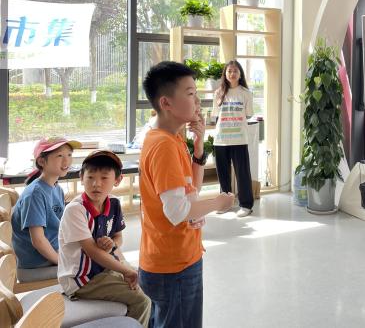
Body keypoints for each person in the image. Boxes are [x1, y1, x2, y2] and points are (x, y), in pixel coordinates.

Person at [139, 61, 234, 328]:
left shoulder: (171, 137)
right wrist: (219, 202)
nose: (197, 101)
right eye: (190, 93)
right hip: (173, 265)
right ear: (166, 103)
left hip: (172, 258)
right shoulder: (164, 145)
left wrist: (199, 147)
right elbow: (177, 211)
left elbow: (192, 190)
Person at [57, 150, 151, 327]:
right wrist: (126, 271)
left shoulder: (113, 203)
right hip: (82, 279)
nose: (96, 184)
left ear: (118, 180)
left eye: (104, 178)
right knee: (141, 301)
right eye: (90, 177)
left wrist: (112, 244)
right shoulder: (75, 210)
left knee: (146, 285)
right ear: (81, 177)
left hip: (103, 269)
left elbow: (118, 237)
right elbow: (92, 251)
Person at [11, 137, 81, 278]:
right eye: (59, 156)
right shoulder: (35, 194)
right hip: (36, 265)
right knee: (91, 270)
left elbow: (60, 226)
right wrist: (63, 263)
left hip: (53, 252)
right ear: (42, 161)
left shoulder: (56, 188)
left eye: (69, 155)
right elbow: (38, 241)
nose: (66, 161)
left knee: (99, 255)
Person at [211, 60, 255, 217]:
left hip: (239, 139)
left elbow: (248, 115)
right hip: (221, 138)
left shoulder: (246, 93)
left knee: (242, 173)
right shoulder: (218, 93)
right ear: (225, 74)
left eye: (235, 71)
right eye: (229, 71)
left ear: (240, 74)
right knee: (223, 174)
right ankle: (225, 203)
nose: (232, 74)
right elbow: (216, 116)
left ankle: (246, 205)